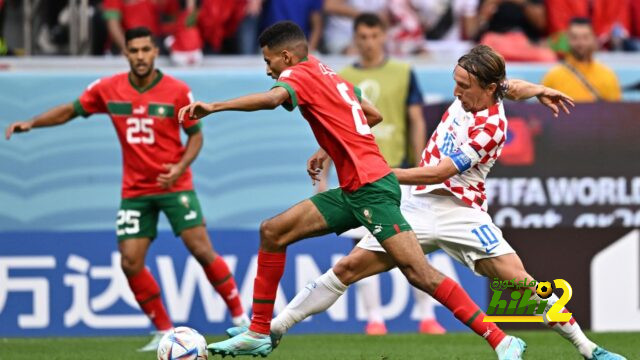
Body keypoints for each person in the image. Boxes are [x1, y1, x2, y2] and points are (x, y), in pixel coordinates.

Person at [178, 21, 566, 359]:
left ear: (286, 57)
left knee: (420, 273)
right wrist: (328, 146)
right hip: (355, 188)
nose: (269, 71)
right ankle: (259, 332)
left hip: (372, 189)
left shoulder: (295, 77)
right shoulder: (330, 75)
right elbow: (371, 114)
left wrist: (214, 107)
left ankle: (501, 340)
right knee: (273, 231)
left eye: (269, 62)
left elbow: (273, 99)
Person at [267, 45, 627, 360]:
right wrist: (539, 89)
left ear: (486, 90)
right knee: (348, 269)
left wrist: (378, 173)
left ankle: (588, 349)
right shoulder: (485, 89)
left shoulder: (491, 129)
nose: (455, 91)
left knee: (524, 284)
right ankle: (274, 329)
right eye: (456, 81)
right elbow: (510, 86)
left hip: (462, 213)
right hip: (414, 207)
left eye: (464, 86)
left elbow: (437, 173)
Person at [4, 27, 248, 352]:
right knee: (130, 262)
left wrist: (179, 167)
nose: (140, 56)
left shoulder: (176, 91)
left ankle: (241, 318)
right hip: (135, 191)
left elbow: (196, 136)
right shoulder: (109, 89)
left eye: (146, 50)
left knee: (201, 250)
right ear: (126, 54)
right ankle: (163, 330)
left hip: (175, 186)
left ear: (155, 52)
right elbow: (71, 110)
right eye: (134, 51)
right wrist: (32, 123)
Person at [319, 12, 443, 335]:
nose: (369, 43)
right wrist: (323, 175)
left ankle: (427, 316)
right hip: (358, 176)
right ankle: (374, 318)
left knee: (411, 244)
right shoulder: (341, 75)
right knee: (362, 248)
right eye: (363, 37)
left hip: (398, 174)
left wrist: (421, 166)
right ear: (355, 38)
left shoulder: (403, 71)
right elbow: (334, 129)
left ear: (384, 36)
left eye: (375, 36)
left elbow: (415, 119)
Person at [542, 17, 622, 102]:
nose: (580, 43)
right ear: (568, 39)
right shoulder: (553, 76)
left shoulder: (607, 76)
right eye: (575, 38)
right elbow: (543, 111)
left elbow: (616, 111)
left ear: (593, 39)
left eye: (585, 37)